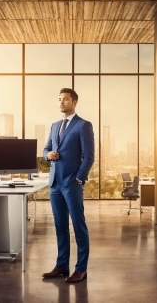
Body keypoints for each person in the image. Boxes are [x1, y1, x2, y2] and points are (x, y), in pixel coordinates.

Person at [42, 88, 95, 283]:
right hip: (55, 183)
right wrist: (48, 155)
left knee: (78, 225)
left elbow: (89, 156)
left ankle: (81, 268)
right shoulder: (55, 125)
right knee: (60, 226)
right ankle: (62, 265)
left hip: (71, 183)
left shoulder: (83, 125)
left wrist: (79, 179)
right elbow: (46, 148)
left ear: (74, 102)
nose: (61, 103)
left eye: (65, 99)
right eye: (59, 100)